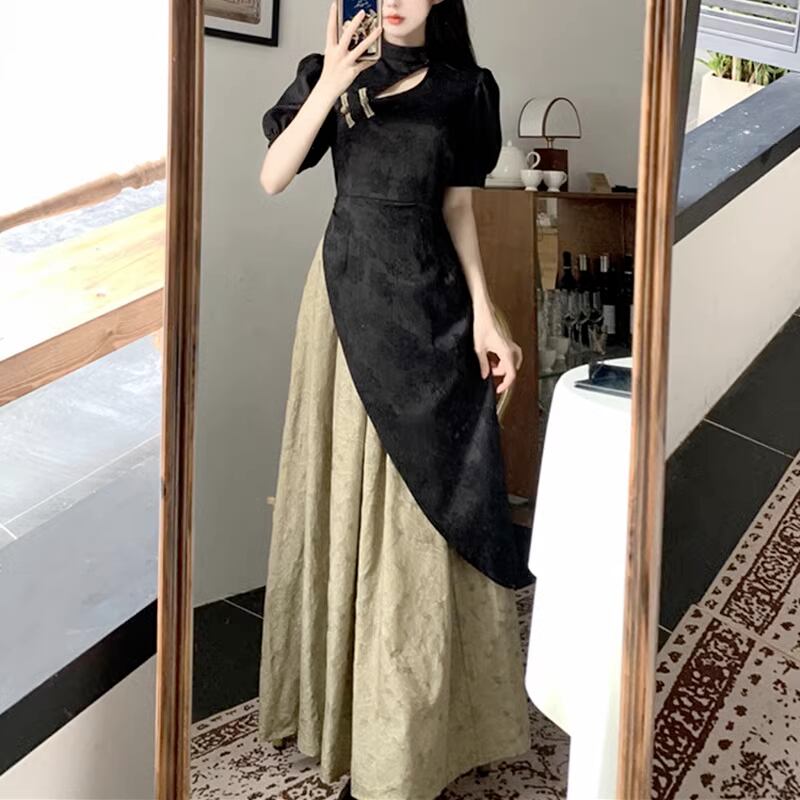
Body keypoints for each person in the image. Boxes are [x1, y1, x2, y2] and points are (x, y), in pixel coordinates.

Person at [257, 2, 534, 798]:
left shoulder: (467, 89)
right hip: (347, 303)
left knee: (424, 513)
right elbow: (274, 176)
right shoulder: (330, 76)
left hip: (431, 305)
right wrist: (331, 82)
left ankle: (414, 738)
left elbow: (458, 208)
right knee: (348, 499)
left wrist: (487, 312)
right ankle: (348, 720)